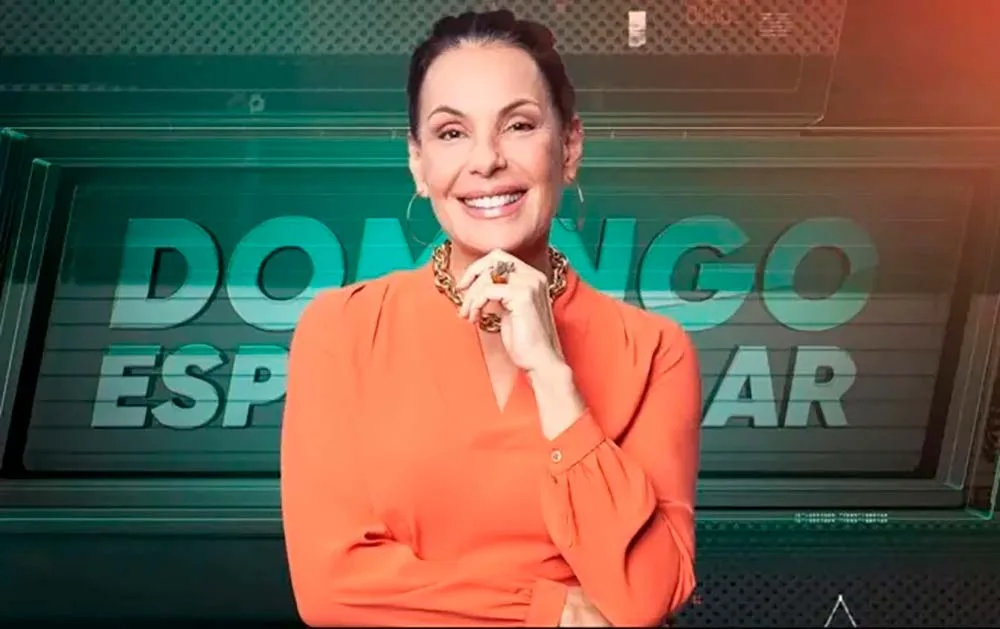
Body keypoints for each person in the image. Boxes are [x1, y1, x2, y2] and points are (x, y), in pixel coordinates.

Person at [280, 9, 702, 627]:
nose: (486, 161)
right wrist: (550, 610)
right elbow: (330, 587)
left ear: (570, 147)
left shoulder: (655, 349)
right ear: (418, 162)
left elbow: (645, 595)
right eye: (452, 133)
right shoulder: (341, 330)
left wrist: (554, 378)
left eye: (519, 125)